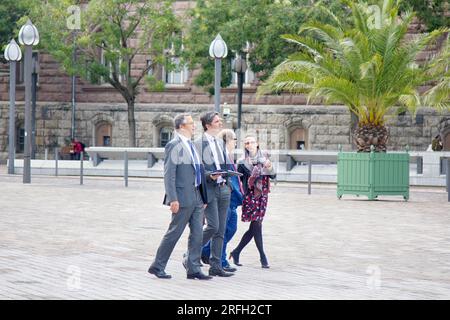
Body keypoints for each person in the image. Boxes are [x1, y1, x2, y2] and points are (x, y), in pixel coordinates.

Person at [148, 114, 211, 280]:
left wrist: (203, 198)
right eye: (191, 123)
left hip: (197, 197)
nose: (194, 126)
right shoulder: (173, 145)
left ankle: (193, 268)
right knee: (174, 233)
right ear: (181, 126)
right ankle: (157, 266)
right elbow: (169, 175)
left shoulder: (192, 145)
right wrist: (173, 198)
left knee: (197, 234)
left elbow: (198, 171)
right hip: (182, 198)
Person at [191, 111, 234, 277]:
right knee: (213, 226)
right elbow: (198, 169)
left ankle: (215, 266)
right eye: (217, 121)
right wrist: (210, 175)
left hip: (223, 188)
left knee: (221, 230)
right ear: (208, 125)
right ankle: (191, 253)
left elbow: (225, 166)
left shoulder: (219, 143)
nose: (220, 123)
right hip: (209, 189)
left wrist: (228, 185)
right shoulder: (197, 144)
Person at [229, 135, 276, 269]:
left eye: (252, 142)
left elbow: (273, 175)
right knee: (256, 225)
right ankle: (262, 256)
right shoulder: (242, 162)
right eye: (246, 143)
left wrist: (270, 167)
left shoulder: (265, 158)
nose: (249, 144)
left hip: (263, 195)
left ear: (257, 144)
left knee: (255, 226)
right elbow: (238, 181)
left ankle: (236, 252)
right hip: (250, 196)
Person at [201, 129, 243, 273]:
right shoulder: (219, 153)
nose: (236, 143)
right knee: (221, 230)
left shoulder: (229, 155)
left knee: (229, 229)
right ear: (227, 140)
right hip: (225, 196)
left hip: (230, 196)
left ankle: (207, 252)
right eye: (234, 139)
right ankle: (218, 258)